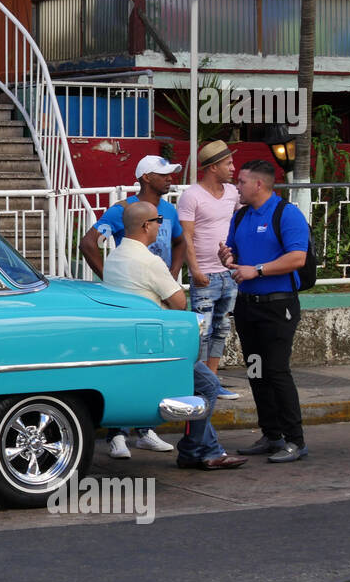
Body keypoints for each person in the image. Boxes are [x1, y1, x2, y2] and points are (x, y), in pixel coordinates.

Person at [101, 201, 247, 469]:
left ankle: (209, 450)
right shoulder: (148, 261)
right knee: (209, 386)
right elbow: (180, 302)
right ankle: (195, 450)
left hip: (128, 343)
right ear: (146, 226)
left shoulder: (115, 258)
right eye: (157, 221)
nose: (160, 225)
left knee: (203, 386)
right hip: (157, 345)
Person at [78, 154, 186, 458]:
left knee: (150, 369)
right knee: (127, 366)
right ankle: (117, 434)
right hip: (133, 301)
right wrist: (112, 280)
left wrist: (172, 276)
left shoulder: (169, 211)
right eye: (163, 174)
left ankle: (144, 429)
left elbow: (180, 242)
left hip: (159, 293)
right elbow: (89, 243)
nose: (170, 178)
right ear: (146, 177)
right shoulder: (123, 210)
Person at [220, 160, 311, 464]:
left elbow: (297, 258)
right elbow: (234, 252)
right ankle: (271, 434)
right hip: (248, 306)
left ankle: (295, 440)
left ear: (258, 184)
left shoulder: (286, 213)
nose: (237, 187)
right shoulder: (242, 215)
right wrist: (228, 256)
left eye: (242, 182)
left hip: (278, 305)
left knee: (276, 370)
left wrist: (256, 270)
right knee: (256, 371)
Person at [178, 140, 242, 399]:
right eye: (228, 163)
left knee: (222, 328)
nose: (233, 168)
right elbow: (186, 236)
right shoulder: (192, 195)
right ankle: (202, 383)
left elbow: (241, 220)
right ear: (214, 167)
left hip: (229, 272)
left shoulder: (233, 193)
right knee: (202, 333)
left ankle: (212, 380)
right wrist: (195, 270)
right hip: (205, 273)